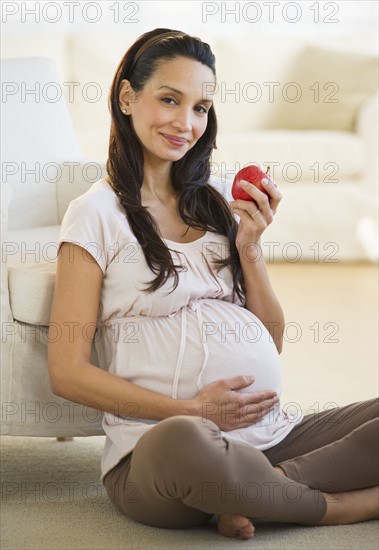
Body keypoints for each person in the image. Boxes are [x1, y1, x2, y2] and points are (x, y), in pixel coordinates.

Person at [48, 28, 378, 540]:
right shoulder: (93, 215)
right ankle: (334, 507)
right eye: (169, 100)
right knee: (185, 440)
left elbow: (271, 341)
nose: (186, 123)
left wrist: (250, 247)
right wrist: (193, 411)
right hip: (157, 452)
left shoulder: (220, 200)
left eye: (201, 107)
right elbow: (67, 373)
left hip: (269, 436)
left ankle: (264, 488)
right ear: (127, 97)